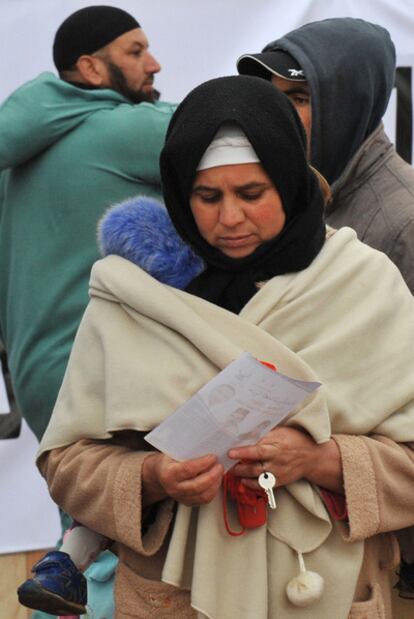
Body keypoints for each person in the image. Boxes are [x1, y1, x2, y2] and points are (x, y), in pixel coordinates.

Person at [35, 75, 414, 619]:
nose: (229, 218)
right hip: (171, 596)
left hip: (329, 593)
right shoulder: (134, 298)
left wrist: (319, 458)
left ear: (289, 182)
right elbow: (68, 466)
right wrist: (151, 477)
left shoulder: (364, 286)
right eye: (207, 196)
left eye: (252, 194)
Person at [1, 5, 175, 619]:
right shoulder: (119, 131)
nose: (154, 64)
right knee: (118, 541)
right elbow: (239, 131)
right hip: (97, 368)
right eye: (135, 51)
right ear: (89, 67)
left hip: (42, 374)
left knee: (80, 535)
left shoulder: (22, 159)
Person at [237, 17, 414, 293]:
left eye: (300, 98)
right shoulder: (293, 191)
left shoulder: (405, 220)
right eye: (274, 97)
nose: (278, 113)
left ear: (349, 106)